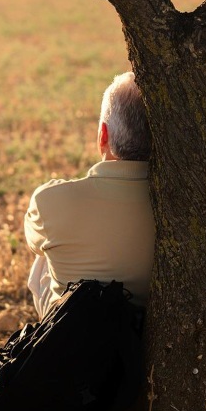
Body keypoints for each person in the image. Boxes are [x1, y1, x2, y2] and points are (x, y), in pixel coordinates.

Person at [25, 72, 155, 319]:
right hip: (145, 335)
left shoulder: (49, 200)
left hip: (74, 337)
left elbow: (33, 243)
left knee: (44, 256)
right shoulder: (180, 207)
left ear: (102, 135)